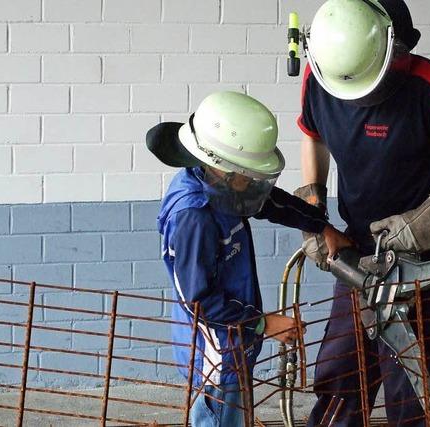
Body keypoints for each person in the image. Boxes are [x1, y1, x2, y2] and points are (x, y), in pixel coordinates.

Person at [292, 0, 430, 425]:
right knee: (342, 371)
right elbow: (312, 135)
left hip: (424, 256)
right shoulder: (321, 75)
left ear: (392, 49)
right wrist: (314, 206)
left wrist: (427, 220)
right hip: (358, 251)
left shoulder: (426, 83)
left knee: (417, 379)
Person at [147, 91, 351, 427]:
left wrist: (321, 226)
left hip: (235, 336)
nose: (254, 181)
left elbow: (270, 202)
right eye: (248, 173)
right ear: (222, 168)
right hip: (216, 351)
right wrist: (263, 324)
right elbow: (197, 300)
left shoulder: (223, 187)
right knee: (221, 416)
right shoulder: (194, 217)